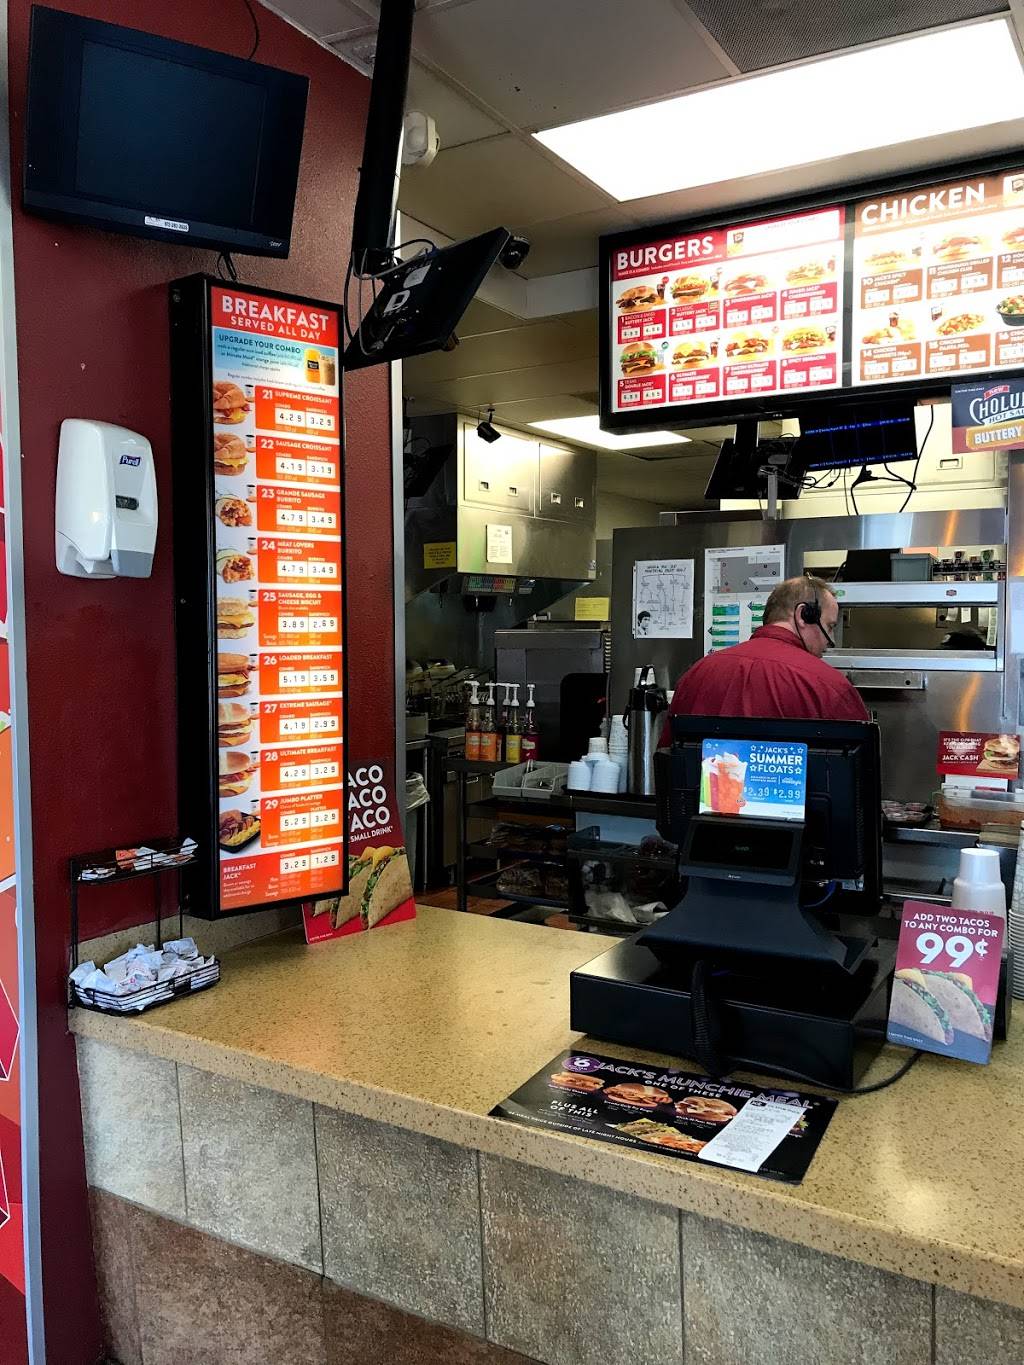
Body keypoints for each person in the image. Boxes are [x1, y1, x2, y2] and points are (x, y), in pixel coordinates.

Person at [662, 575, 869, 738]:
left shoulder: (696, 674)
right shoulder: (829, 686)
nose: (830, 641)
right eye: (830, 627)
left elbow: (667, 757)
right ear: (803, 615)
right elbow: (857, 771)